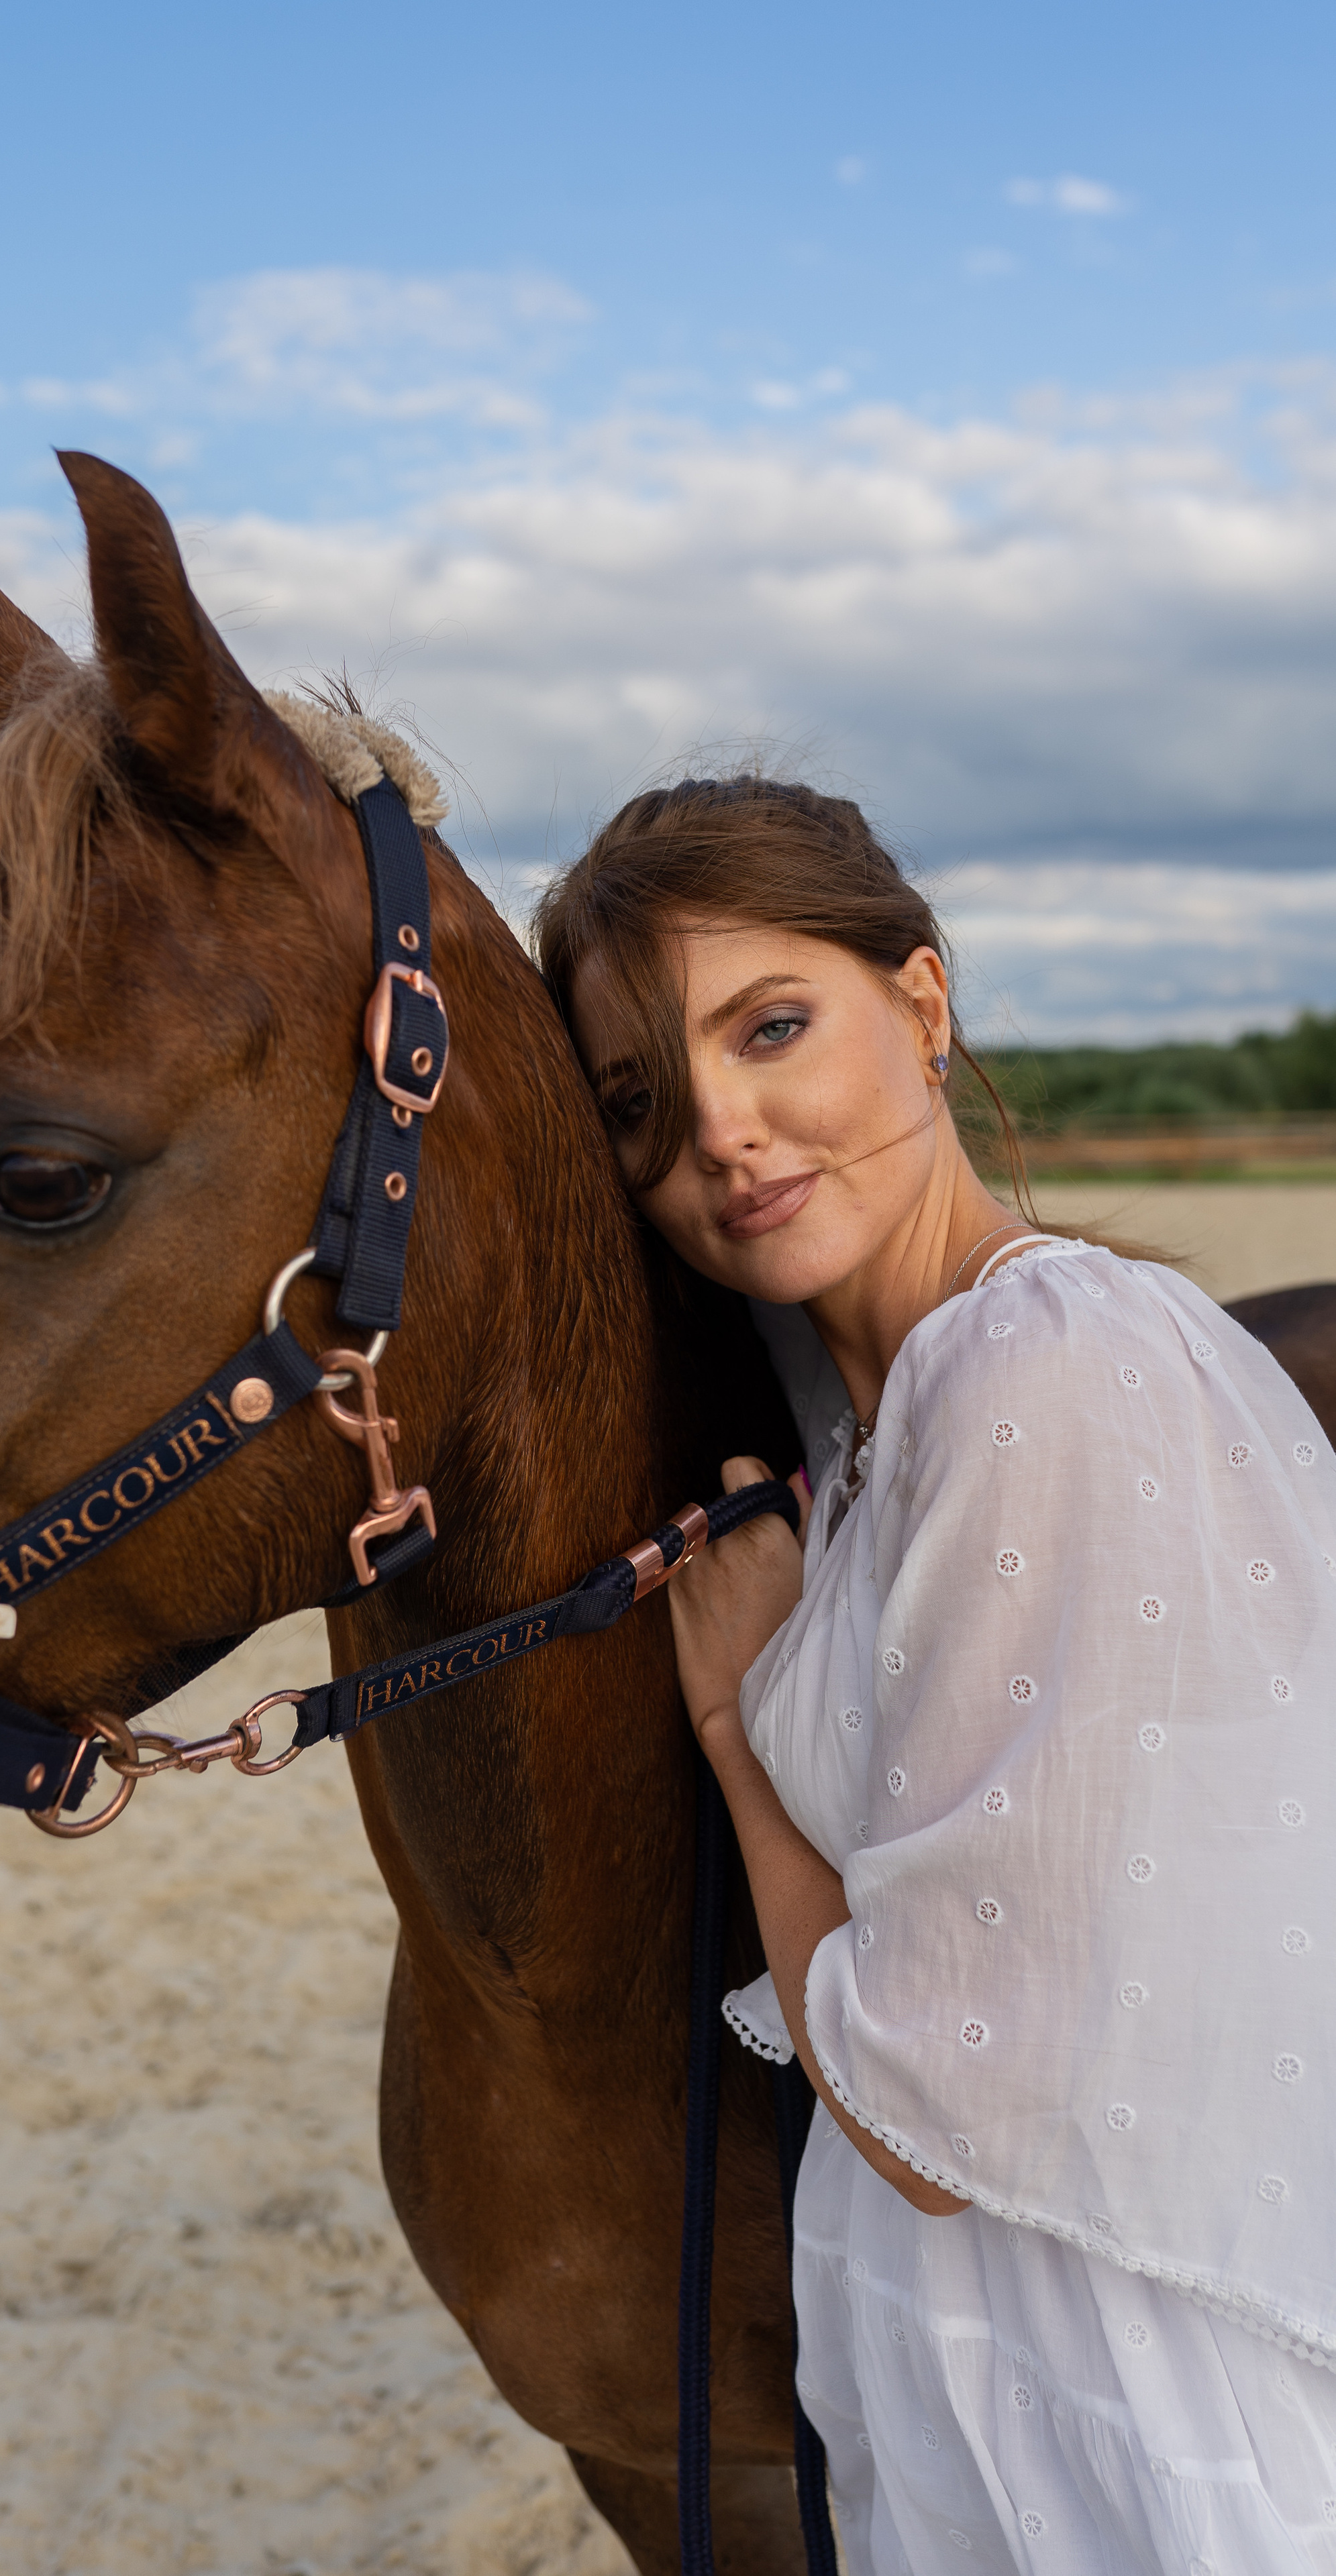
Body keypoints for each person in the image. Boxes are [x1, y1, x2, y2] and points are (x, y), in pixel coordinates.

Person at [535, 777, 1336, 2575]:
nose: (723, 1135)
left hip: (1115, 2392)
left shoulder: (1041, 1362)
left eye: (776, 1028)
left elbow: (931, 2101)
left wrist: (742, 1736)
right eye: (644, 1100)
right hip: (978, 2369)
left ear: (923, 1003)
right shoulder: (872, 1423)